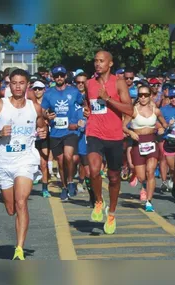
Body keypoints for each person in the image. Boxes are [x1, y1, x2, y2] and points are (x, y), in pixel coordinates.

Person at [0, 69, 47, 260]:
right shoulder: (0, 105)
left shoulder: (35, 107)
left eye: (21, 83)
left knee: (21, 201)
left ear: (27, 86)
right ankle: (15, 221)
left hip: (26, 159)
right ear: (9, 85)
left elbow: (42, 126)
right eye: (14, 83)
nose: (18, 86)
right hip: (3, 162)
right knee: (11, 208)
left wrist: (43, 133)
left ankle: (19, 248)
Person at [85, 51, 133, 235]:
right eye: (95, 60)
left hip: (114, 136)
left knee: (114, 177)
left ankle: (111, 213)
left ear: (110, 63)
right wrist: (86, 111)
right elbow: (89, 105)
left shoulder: (119, 82)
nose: (97, 64)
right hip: (94, 133)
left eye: (101, 61)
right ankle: (98, 201)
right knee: (94, 170)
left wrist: (108, 99)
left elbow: (129, 109)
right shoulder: (90, 84)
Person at [123, 85, 168, 211]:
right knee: (142, 176)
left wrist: (161, 128)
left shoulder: (156, 110)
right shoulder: (133, 110)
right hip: (138, 143)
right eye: (141, 95)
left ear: (150, 96)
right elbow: (123, 126)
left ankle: (149, 201)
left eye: (146, 95)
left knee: (151, 172)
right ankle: (142, 183)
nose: (143, 97)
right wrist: (131, 132)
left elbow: (164, 124)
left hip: (151, 142)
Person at [41, 66, 83, 200]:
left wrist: (80, 120)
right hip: (55, 132)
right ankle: (64, 187)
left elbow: (83, 105)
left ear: (65, 77)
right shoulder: (48, 93)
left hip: (70, 130)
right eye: (56, 76)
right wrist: (47, 116)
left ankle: (70, 182)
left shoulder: (74, 91)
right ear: (53, 77)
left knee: (68, 155)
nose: (59, 78)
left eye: (61, 75)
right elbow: (43, 110)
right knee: (60, 161)